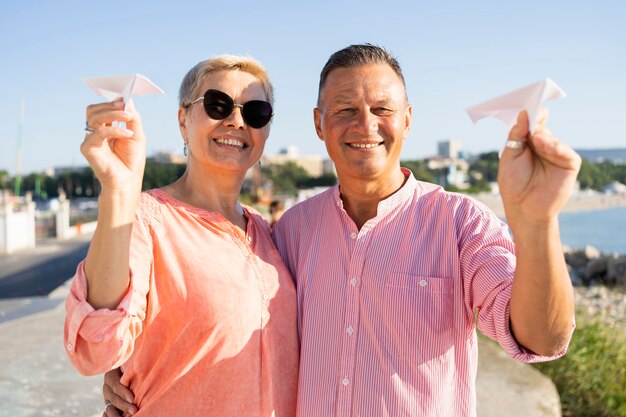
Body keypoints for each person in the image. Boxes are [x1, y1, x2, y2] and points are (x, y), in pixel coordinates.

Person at [103, 44, 579, 417]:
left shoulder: (461, 224)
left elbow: (542, 339)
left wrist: (537, 223)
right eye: (345, 109)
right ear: (319, 123)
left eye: (382, 109)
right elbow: (227, 311)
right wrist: (131, 366)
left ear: (408, 120)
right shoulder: (288, 233)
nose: (365, 124)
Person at [64, 55, 299, 417]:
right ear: (183, 120)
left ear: (266, 130)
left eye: (255, 111)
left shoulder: (271, 236)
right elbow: (96, 348)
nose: (236, 120)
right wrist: (118, 192)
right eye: (217, 105)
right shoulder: (146, 218)